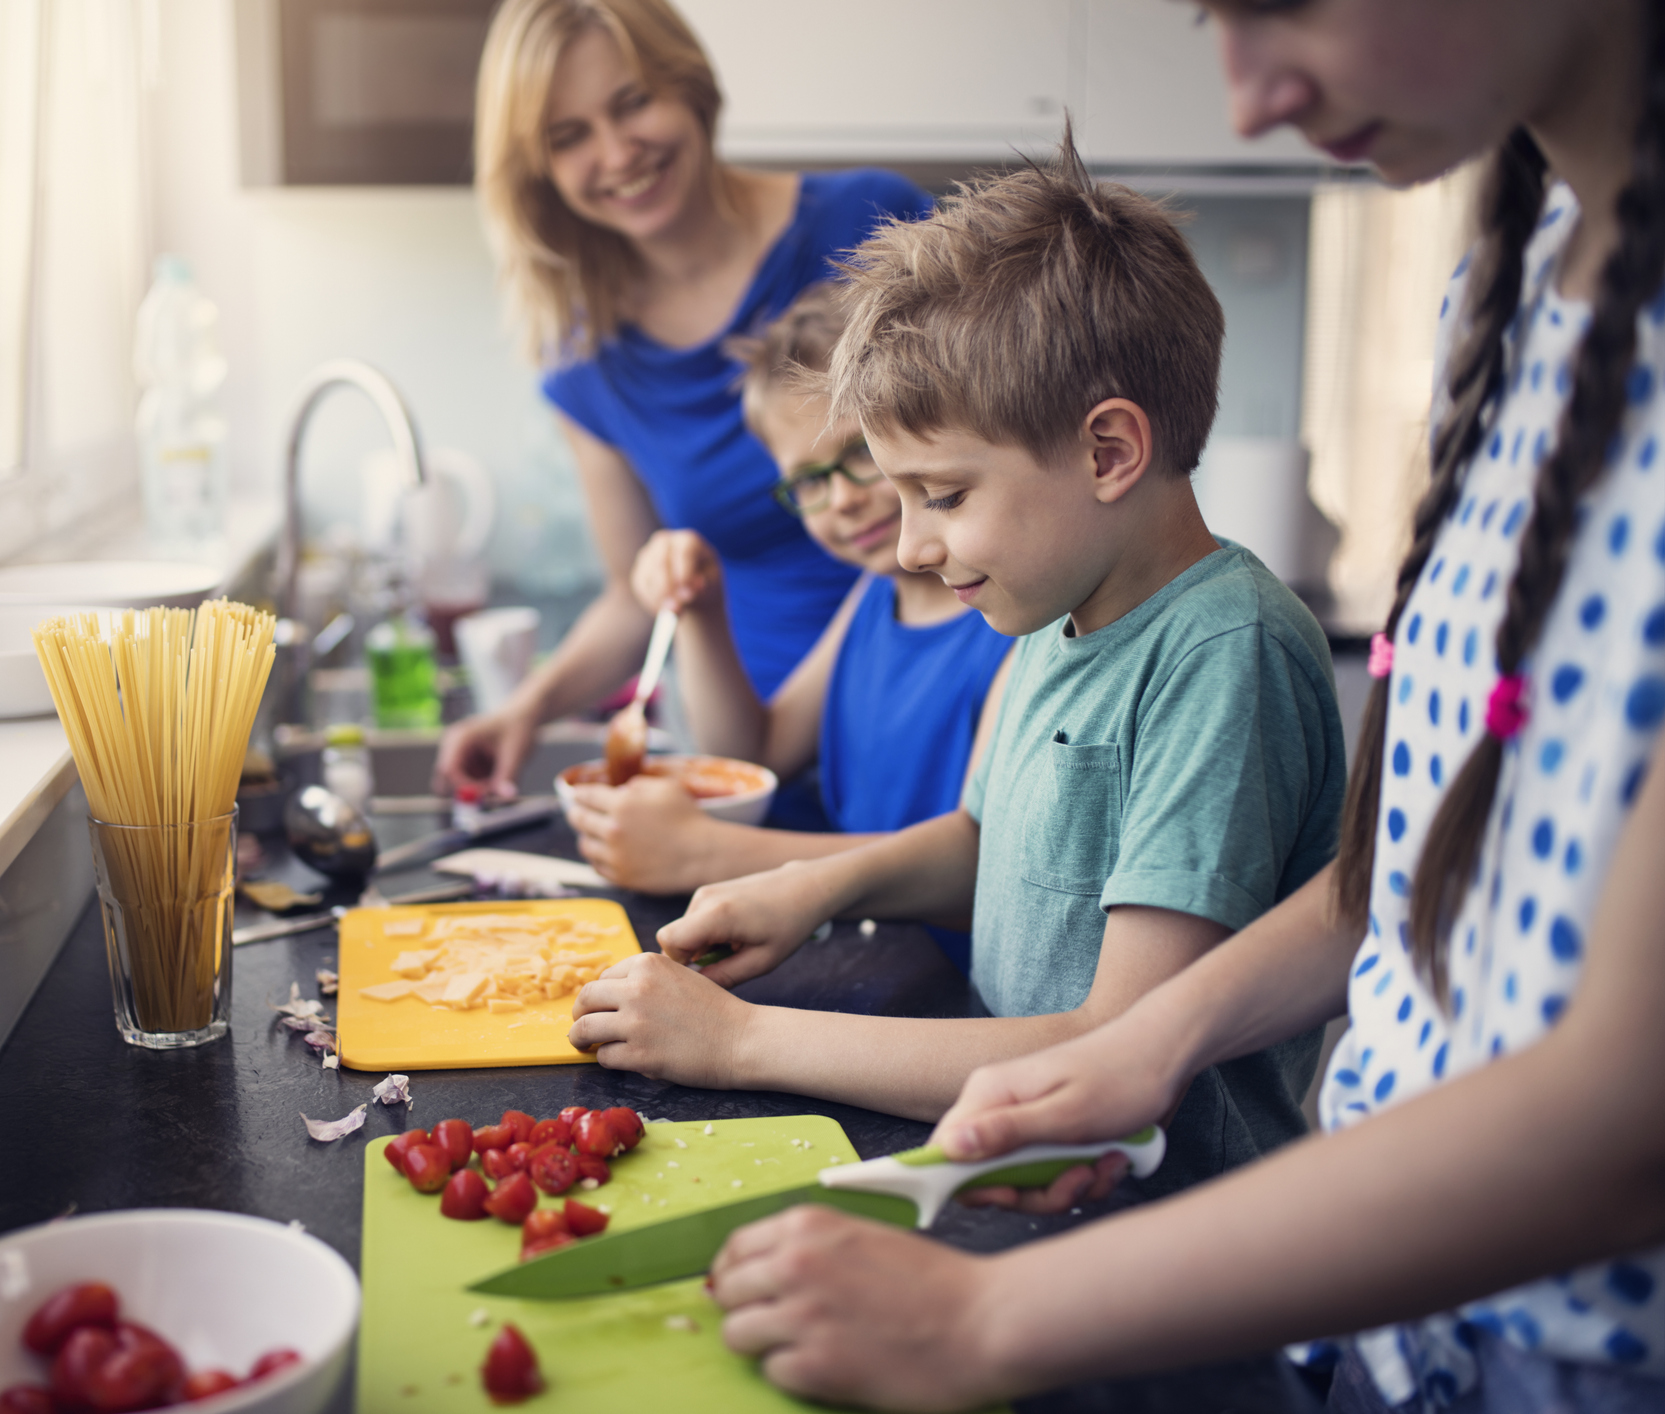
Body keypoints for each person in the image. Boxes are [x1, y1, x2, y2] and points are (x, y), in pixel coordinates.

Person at [699, 3, 1665, 1412]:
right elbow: (1400, 882)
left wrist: (983, 1315)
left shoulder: (1220, 642)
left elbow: (1623, 1128)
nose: (1246, 95)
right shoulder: (1502, 298)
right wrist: (1147, 1044)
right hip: (1381, 1324)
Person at [568, 133, 1345, 1196]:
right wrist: (807, 887)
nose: (908, 548)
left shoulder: (1219, 654)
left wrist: (739, 1042)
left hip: (1153, 1215)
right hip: (1010, 1161)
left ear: (1108, 452)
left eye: (943, 496)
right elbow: (991, 838)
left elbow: (1113, 1049)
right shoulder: (1054, 611)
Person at [435, 0, 933, 807]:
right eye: (568, 136)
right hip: (756, 757)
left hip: (933, 703)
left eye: (632, 102)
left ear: (690, 86)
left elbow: (994, 458)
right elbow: (637, 593)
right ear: (539, 170)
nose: (616, 152)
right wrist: (526, 708)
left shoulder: (869, 224)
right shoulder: (585, 360)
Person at [561, 283, 1011, 930]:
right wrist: (703, 610)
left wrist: (707, 852)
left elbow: (979, 865)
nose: (840, 499)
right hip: (874, 947)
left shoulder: (1009, 618)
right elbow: (757, 755)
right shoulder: (874, 596)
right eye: (807, 480)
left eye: (858, 454)